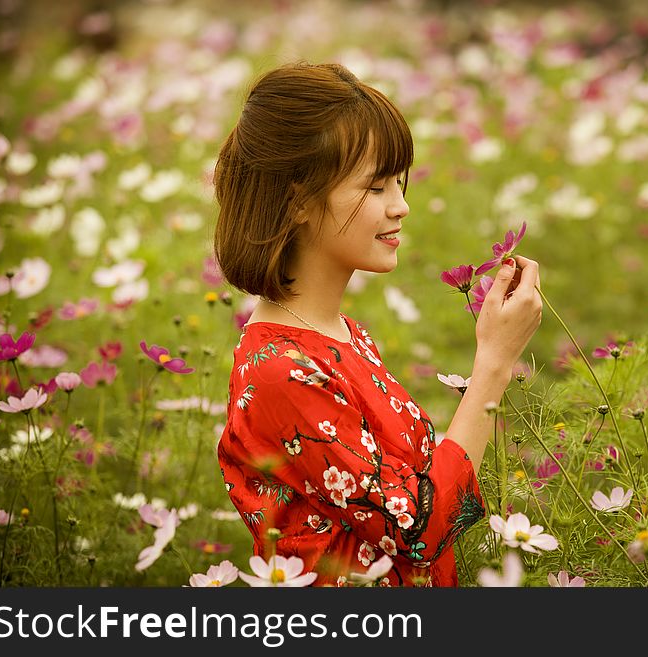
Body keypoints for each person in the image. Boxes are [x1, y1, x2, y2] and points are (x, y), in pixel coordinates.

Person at [213, 62, 542, 587]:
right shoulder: (282, 372)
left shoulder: (338, 334)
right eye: (376, 187)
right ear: (297, 199)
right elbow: (419, 530)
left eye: (398, 182)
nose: (402, 206)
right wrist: (494, 364)